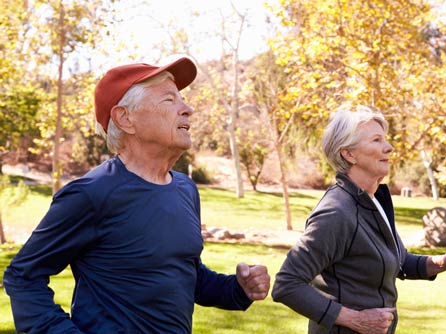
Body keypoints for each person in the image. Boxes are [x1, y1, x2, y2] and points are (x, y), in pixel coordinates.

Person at [3, 56, 270, 334]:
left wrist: (237, 289)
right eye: (169, 100)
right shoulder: (92, 193)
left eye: (182, 100)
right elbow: (23, 276)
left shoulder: (185, 189)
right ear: (125, 118)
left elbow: (182, 275)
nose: (187, 109)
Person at [271, 105, 446, 334]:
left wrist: (443, 262)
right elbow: (286, 284)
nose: (389, 147)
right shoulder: (336, 212)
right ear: (349, 153)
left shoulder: (372, 201)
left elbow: (397, 260)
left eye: (385, 139)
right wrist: (355, 319)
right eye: (377, 140)